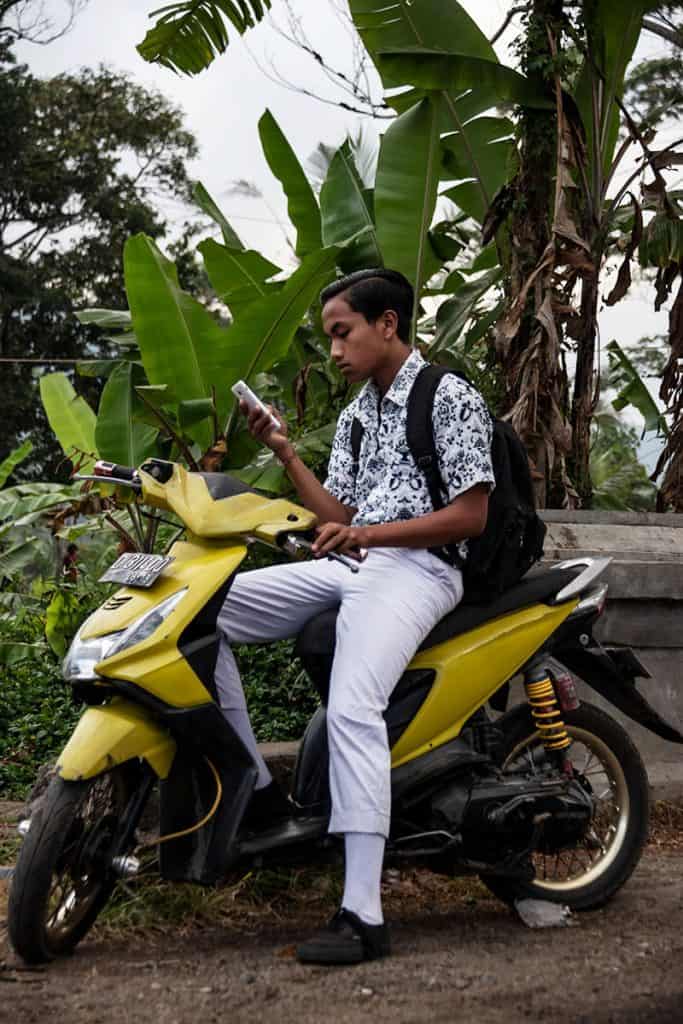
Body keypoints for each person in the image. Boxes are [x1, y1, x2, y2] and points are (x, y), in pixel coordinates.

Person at [215, 268, 494, 965]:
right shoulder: (356, 415)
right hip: (354, 561)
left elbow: (471, 514)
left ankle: (363, 913)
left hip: (421, 570)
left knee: (350, 708)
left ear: (388, 324)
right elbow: (337, 517)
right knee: (203, 612)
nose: (333, 351)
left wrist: (367, 536)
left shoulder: (448, 395)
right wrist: (282, 449)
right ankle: (250, 787)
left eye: (342, 334)